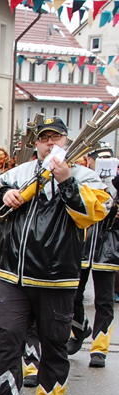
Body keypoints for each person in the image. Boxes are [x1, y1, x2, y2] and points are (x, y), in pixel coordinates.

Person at [0, 117, 110, 395]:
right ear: (35, 143)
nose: (50, 144)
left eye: (56, 138)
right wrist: (2, 197)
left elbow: (93, 214)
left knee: (54, 342)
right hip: (13, 275)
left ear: (65, 141)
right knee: (7, 337)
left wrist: (65, 181)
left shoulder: (85, 176)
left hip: (57, 277)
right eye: (44, 139)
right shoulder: (18, 174)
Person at [67, 147, 119, 368]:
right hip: (81, 246)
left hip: (106, 247)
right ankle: (78, 329)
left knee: (104, 300)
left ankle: (99, 347)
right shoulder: (81, 178)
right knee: (73, 295)